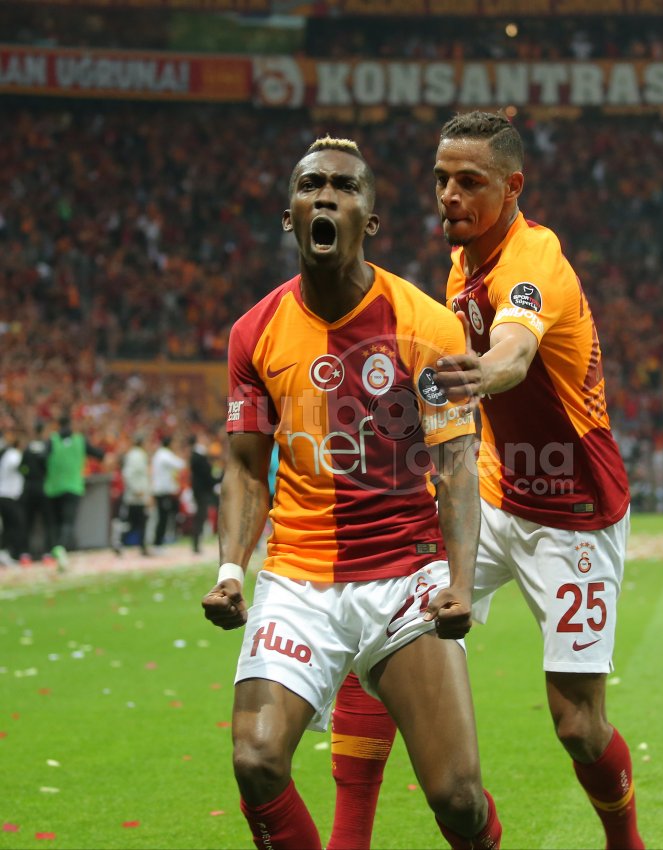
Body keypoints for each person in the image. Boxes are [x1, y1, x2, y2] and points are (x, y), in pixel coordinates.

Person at [329, 111, 644, 850]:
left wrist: (475, 375)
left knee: (578, 725)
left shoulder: (533, 258)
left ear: (512, 187)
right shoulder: (461, 263)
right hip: (496, 495)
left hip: (575, 508)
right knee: (380, 626)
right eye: (442, 179)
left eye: (470, 181)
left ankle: (625, 842)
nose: (450, 195)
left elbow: (513, 352)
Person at [201, 136, 502, 850]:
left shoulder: (426, 324)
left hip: (404, 572)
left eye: (345, 187)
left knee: (459, 799)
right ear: (291, 216)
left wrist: (460, 583)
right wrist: (231, 569)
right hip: (299, 580)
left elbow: (456, 466)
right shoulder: (254, 333)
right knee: (255, 758)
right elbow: (244, 468)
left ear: (370, 218)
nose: (326, 197)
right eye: (312, 185)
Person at [44, 414, 105, 569]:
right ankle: (61, 549)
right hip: (73, 486)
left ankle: (54, 550)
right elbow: (99, 454)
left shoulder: (52, 440)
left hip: (53, 487)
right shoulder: (79, 440)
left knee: (55, 522)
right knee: (68, 522)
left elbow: (41, 458)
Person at [19, 421, 55, 563]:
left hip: (29, 488)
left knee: (28, 522)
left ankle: (25, 553)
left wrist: (27, 474)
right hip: (43, 488)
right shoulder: (47, 447)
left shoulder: (28, 448)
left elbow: (21, 468)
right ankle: (47, 553)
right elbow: (50, 467)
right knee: (47, 522)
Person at [116, 434, 151, 556]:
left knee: (137, 522)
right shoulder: (136, 456)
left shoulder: (136, 454)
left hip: (137, 495)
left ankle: (140, 546)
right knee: (134, 522)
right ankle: (121, 543)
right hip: (136, 496)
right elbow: (128, 474)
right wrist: (137, 489)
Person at [150, 435, 185, 550]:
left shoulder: (159, 454)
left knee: (162, 517)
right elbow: (180, 464)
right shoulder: (165, 454)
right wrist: (178, 453)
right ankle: (158, 544)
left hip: (159, 490)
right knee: (163, 518)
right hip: (162, 491)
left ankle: (158, 542)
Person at [188, 433, 218, 554]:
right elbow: (206, 475)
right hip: (202, 491)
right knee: (200, 516)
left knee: (201, 516)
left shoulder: (197, 456)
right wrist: (217, 479)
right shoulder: (198, 456)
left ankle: (197, 544)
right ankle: (196, 544)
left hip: (200, 490)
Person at [0, 426, 25, 567]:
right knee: (15, 525)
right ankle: (9, 552)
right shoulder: (13, 454)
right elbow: (19, 466)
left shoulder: (6, 454)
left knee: (9, 525)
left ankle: (5, 552)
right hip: (8, 495)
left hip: (5, 494)